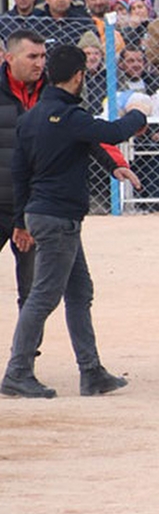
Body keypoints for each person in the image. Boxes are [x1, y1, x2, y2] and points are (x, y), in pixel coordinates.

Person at [0, 44, 144, 399]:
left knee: (79, 291)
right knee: (43, 295)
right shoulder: (70, 117)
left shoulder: (32, 117)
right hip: (59, 218)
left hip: (42, 213)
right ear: (79, 76)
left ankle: (91, 371)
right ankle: (18, 371)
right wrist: (140, 114)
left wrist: (21, 220)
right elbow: (111, 132)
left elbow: (20, 173)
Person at [0, 30, 45, 310]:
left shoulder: (54, 92)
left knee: (32, 293)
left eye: (42, 56)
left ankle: (26, 353)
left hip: (35, 207)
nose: (39, 63)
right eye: (32, 56)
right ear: (10, 58)